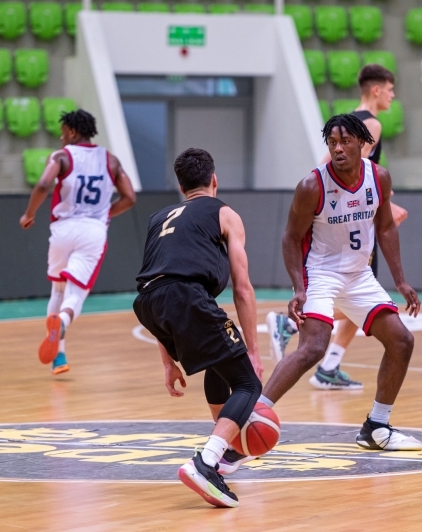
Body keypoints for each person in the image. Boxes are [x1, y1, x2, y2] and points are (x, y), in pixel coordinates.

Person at [258, 114, 422, 451]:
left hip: (359, 275)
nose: (338, 149)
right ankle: (252, 417)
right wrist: (298, 287)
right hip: (320, 273)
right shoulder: (312, 185)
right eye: (332, 143)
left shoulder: (378, 177)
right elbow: (291, 238)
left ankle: (376, 427)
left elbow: (386, 227)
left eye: (345, 141)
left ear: (362, 143)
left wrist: (401, 281)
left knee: (402, 341)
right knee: (313, 348)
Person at [133, 148, 264, 509]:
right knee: (248, 383)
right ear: (214, 180)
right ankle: (206, 462)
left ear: (181, 187)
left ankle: (222, 453)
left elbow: (158, 281)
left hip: (148, 303)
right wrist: (254, 352)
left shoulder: (159, 217)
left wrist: (167, 361)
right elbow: (242, 287)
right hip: (185, 295)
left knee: (220, 365)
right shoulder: (225, 213)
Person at [266, 64, 409, 391]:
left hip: (350, 218)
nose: (392, 96)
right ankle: (290, 325)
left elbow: (334, 170)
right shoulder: (370, 124)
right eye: (389, 90)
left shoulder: (349, 121)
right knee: (354, 295)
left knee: (359, 298)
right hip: (351, 228)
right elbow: (353, 173)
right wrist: (385, 205)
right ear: (376, 90)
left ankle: (330, 365)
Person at [20, 110, 136, 375]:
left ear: (72, 131)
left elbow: (43, 185)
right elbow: (130, 198)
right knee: (76, 293)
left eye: (63, 133)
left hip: (62, 229)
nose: (61, 138)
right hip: (92, 231)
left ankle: (59, 356)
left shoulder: (61, 157)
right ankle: (62, 320)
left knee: (58, 290)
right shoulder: (111, 160)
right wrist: (105, 213)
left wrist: (29, 214)